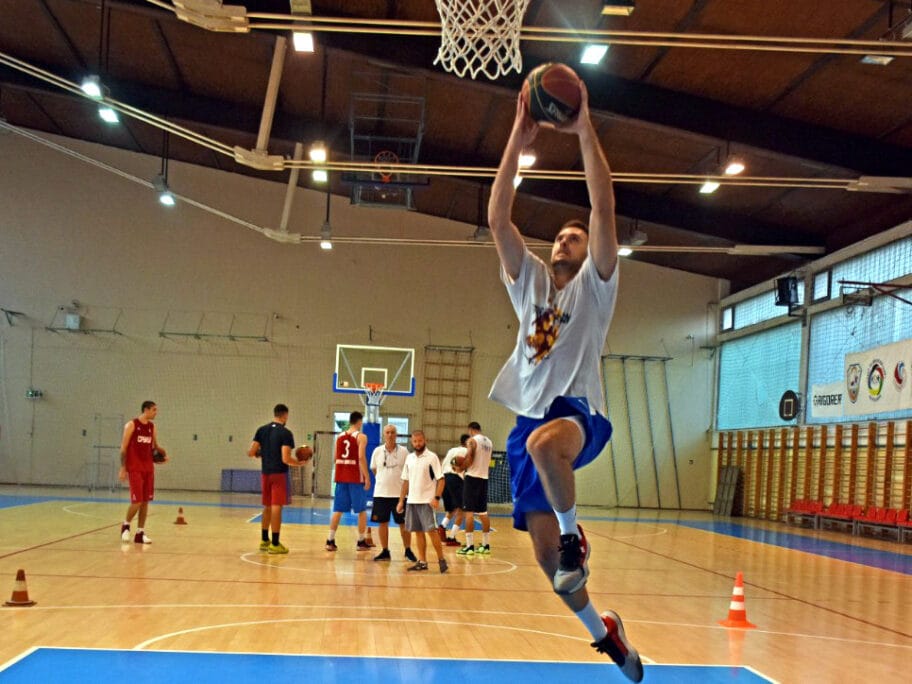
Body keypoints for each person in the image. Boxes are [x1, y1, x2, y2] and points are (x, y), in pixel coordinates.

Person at [486, 83, 642, 681]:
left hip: (578, 414)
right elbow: (498, 216)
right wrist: (517, 139)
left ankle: (576, 537)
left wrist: (581, 132)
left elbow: (603, 209)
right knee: (556, 572)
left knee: (545, 443)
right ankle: (609, 638)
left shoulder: (594, 288)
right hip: (528, 427)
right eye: (558, 237)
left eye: (572, 238)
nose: (562, 241)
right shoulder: (527, 284)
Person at [248, 403, 306, 554]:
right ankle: (275, 543)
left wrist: (264, 453)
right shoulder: (285, 433)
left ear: (275, 414)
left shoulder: (261, 430)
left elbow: (251, 452)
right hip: (279, 474)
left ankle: (264, 540)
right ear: (285, 415)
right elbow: (286, 458)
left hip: (265, 473)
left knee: (267, 506)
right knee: (276, 507)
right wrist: (298, 463)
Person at [396, 430, 447, 573]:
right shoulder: (409, 458)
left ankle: (441, 559)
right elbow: (405, 481)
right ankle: (422, 562)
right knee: (418, 532)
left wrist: (436, 497)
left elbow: (441, 479)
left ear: (425, 441)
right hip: (412, 501)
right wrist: (401, 501)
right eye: (415, 441)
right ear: (412, 442)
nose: (418, 444)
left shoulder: (432, 457)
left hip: (427, 502)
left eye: (420, 441)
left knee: (431, 531)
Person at [119, 400, 166, 544]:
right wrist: (123, 468)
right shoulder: (131, 425)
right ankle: (126, 526)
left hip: (148, 469)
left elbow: (154, 447)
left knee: (145, 502)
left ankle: (140, 533)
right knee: (137, 501)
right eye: (154, 410)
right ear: (146, 410)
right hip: (135, 468)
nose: (156, 412)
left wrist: (161, 455)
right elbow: (123, 448)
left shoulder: (152, 427)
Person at [369, 424, 417, 562]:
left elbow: (408, 472)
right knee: (382, 523)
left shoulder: (404, 452)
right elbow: (374, 469)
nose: (390, 435)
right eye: (388, 432)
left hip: (399, 495)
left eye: (393, 432)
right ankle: (385, 551)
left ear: (397, 435)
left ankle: (408, 550)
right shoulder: (377, 451)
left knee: (404, 524)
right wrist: (383, 479)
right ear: (384, 434)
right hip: (381, 494)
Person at [326, 411, 371, 552]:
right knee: (362, 510)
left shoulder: (339, 436)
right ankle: (361, 541)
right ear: (359, 422)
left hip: (341, 477)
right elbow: (361, 457)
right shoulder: (361, 437)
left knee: (338, 510)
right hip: (355, 478)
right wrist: (367, 477)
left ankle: (330, 540)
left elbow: (334, 458)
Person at [456, 421, 493, 556]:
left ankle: (470, 546)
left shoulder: (472, 440)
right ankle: (486, 545)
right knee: (483, 513)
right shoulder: (489, 442)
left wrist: (460, 467)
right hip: (484, 478)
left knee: (469, 513)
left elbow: (470, 457)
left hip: (472, 478)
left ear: (470, 430)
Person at [438, 434, 467, 547]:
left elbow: (443, 464)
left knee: (452, 508)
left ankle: (442, 526)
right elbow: (461, 467)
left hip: (444, 478)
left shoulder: (452, 450)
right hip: (455, 479)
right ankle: (451, 537)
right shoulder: (466, 452)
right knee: (462, 510)